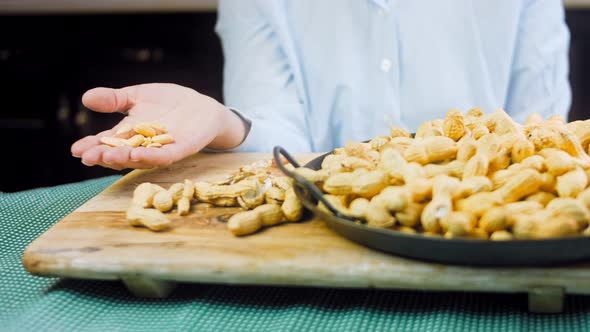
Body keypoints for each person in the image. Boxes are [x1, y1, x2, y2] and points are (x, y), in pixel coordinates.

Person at [71, 0, 571, 170]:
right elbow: (280, 137)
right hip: (324, 248)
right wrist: (225, 123)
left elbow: (544, 137)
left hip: (483, 245)